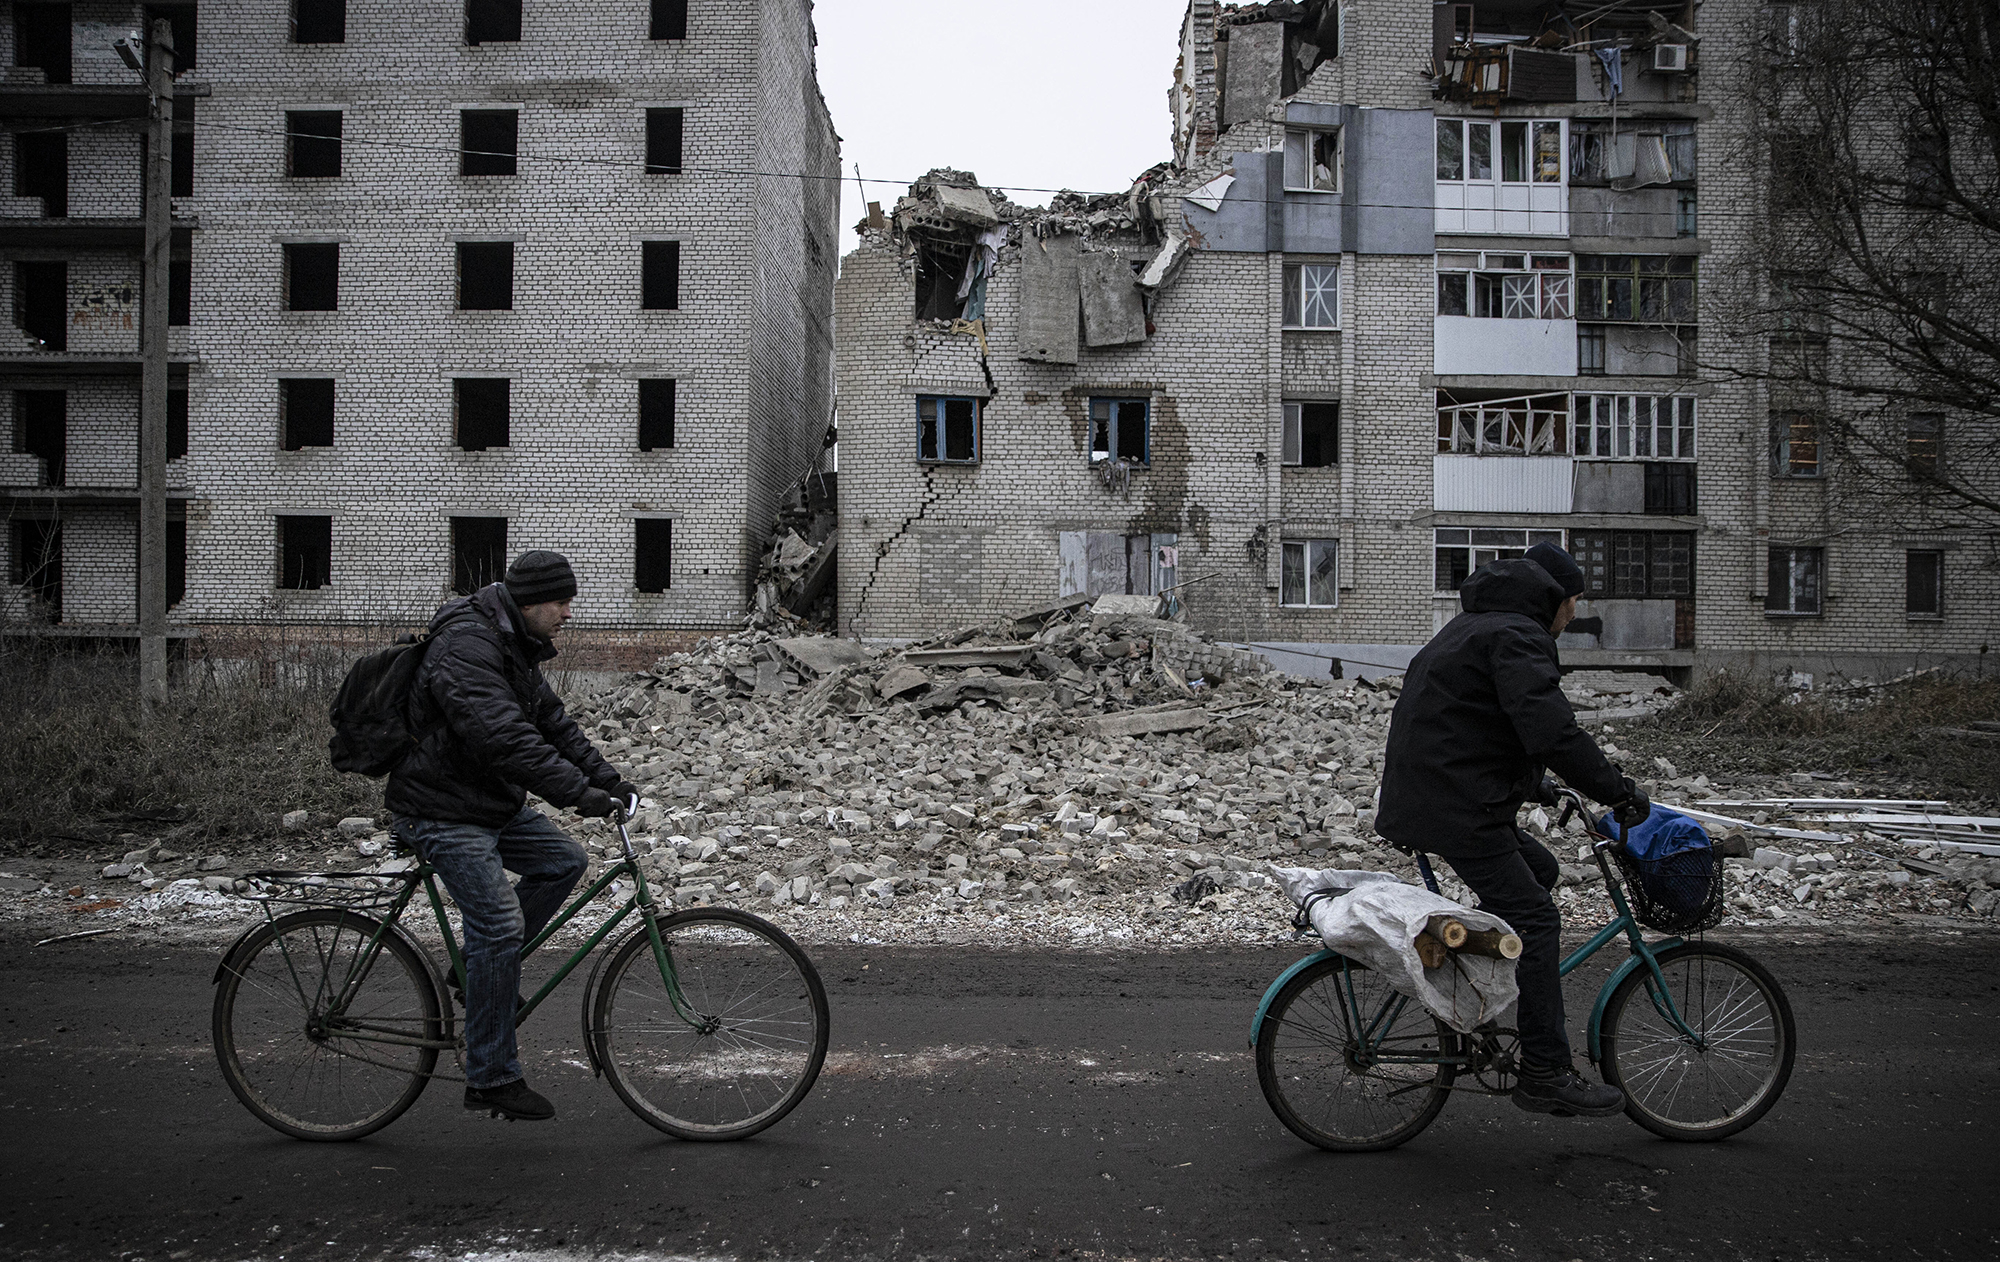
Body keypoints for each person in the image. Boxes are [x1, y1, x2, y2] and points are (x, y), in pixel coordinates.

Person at [1376, 541, 1650, 1118]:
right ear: (1552, 597)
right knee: (1537, 918)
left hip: (1438, 799)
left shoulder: (1478, 626)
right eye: (1573, 601)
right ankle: (1546, 1072)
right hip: (1456, 809)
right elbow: (1551, 731)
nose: (1574, 614)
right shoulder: (1517, 636)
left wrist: (1541, 787)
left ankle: (1482, 970)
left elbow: (1476, 729)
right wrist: (1617, 791)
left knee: (1540, 872)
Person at [387, 550, 638, 1122]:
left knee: (562, 860)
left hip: (484, 801)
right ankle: (491, 1074)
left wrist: (607, 780)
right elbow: (504, 739)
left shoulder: (512, 642)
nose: (569, 613)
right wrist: (580, 794)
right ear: (529, 602)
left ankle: (476, 974)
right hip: (441, 808)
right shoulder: (468, 647)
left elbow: (550, 721)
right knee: (500, 924)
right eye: (561, 601)